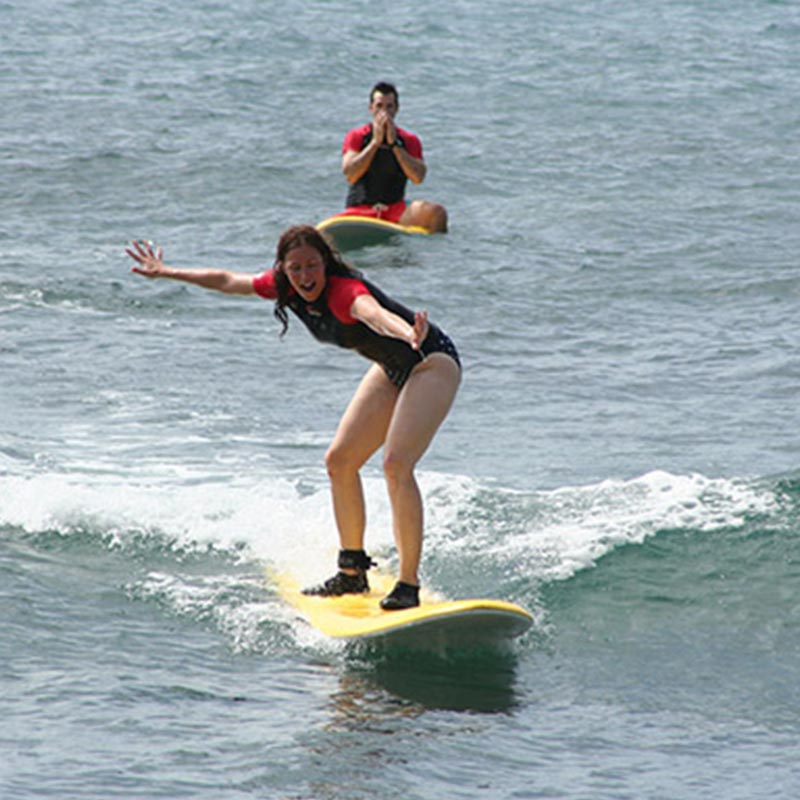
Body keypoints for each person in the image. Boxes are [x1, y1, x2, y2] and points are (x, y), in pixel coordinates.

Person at [125, 226, 460, 610]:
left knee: (396, 464)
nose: (305, 276)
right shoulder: (283, 287)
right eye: (295, 268)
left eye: (312, 265)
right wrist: (167, 272)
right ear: (283, 269)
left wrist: (408, 332)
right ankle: (351, 572)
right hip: (391, 367)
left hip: (430, 361)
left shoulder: (344, 292)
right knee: (340, 461)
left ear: (326, 264)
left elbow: (374, 315)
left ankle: (408, 585)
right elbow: (228, 280)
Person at [340, 81, 448, 233]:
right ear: (371, 108)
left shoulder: (409, 140)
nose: (384, 112)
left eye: (389, 106)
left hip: (395, 210)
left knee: (437, 213)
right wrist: (375, 143)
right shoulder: (357, 136)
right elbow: (350, 175)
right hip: (360, 209)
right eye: (379, 106)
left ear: (396, 109)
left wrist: (394, 145)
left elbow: (418, 177)